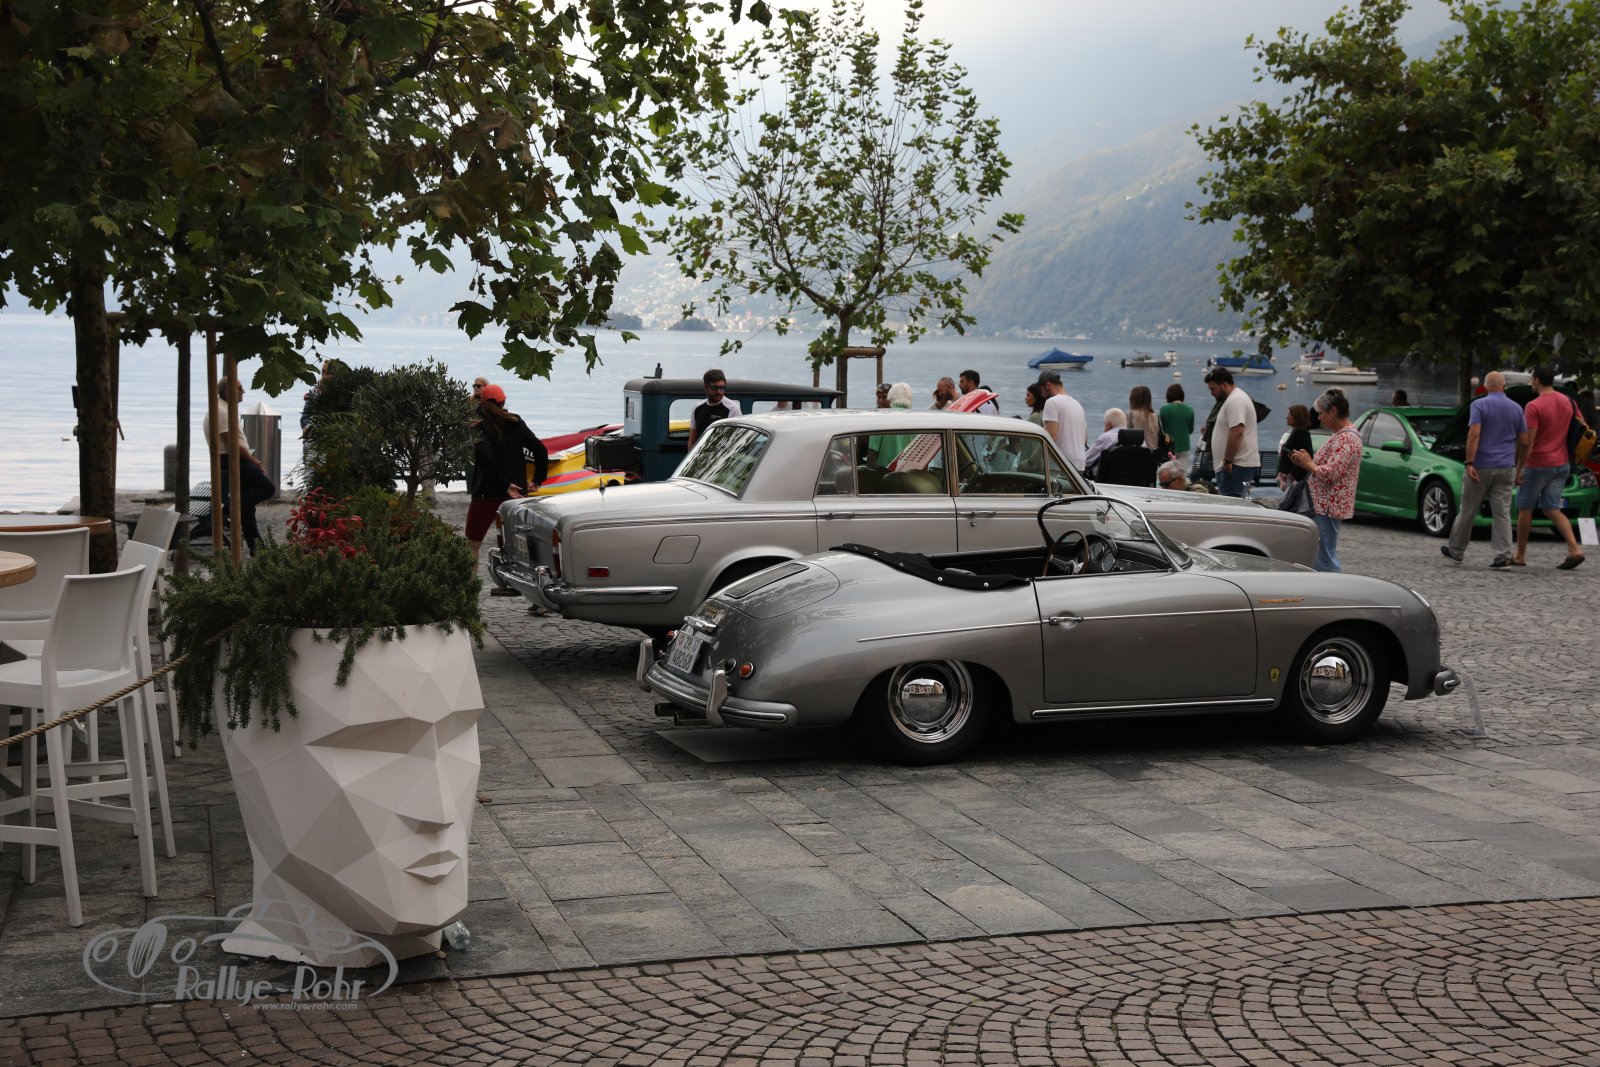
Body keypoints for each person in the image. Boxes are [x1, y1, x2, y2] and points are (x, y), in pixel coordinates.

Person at [1443, 371, 1526, 568]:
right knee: (1502, 513)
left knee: (1468, 510)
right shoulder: (1517, 408)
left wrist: (1469, 462)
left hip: (1481, 466)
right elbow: (1524, 440)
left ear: (1487, 387)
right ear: (1504, 386)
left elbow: (1474, 434)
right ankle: (1503, 556)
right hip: (1506, 467)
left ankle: (1456, 550)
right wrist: (1517, 463)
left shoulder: (1479, 405)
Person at [1512, 364, 1585, 569]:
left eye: (1531, 379)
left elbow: (1528, 441)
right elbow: (1580, 426)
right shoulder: (1568, 401)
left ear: (1536, 380)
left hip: (1537, 464)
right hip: (1561, 462)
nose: (1531, 383)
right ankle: (1574, 549)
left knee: (1525, 508)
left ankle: (1520, 555)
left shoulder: (1534, 406)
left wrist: (1520, 468)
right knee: (1552, 508)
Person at [465, 384, 548, 565]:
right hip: (516, 493)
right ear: (504, 402)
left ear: (482, 404)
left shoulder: (480, 427)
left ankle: (470, 583)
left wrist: (505, 484)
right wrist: (537, 479)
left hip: (486, 493)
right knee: (518, 546)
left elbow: (487, 459)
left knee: (472, 544)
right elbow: (540, 449)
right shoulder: (516, 423)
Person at [1289, 389, 1361, 572]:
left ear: (1333, 411)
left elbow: (1332, 473)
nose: (1319, 418)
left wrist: (1309, 464)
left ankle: (1332, 588)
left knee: (1324, 559)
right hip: (1324, 506)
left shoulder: (1346, 438)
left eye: (1321, 413)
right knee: (1320, 555)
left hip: (1327, 507)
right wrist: (1306, 462)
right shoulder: (1342, 435)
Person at [204, 377, 276, 556]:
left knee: (247, 508)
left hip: (234, 459)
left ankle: (256, 547)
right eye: (239, 388)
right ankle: (230, 508)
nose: (243, 391)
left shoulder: (223, 409)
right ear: (227, 392)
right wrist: (253, 461)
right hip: (232, 460)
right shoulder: (221, 411)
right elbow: (232, 445)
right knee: (267, 488)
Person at [1204, 366, 1260, 497]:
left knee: (1232, 504)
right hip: (1236, 465)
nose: (1211, 393)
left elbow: (1237, 431)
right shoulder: (1233, 399)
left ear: (1224, 385)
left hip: (1236, 465)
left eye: (1213, 389)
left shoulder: (1236, 400)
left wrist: (1228, 460)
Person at [1038, 369, 1088, 472]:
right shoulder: (1077, 404)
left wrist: (1033, 461)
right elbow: (1085, 440)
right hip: (1079, 464)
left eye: (1041, 390)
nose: (1041, 395)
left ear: (1048, 385)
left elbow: (1050, 436)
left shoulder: (1052, 402)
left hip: (1060, 465)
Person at [687, 368, 740, 447]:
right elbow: (692, 441)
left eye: (722, 388)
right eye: (714, 388)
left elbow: (736, 441)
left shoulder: (733, 409)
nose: (718, 392)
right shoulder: (697, 408)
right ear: (706, 387)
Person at [1277, 405, 1314, 490]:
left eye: (1289, 415)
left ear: (1297, 417)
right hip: (1289, 477)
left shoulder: (1301, 432)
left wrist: (1292, 474)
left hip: (1294, 479)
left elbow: (1307, 454)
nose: (1287, 417)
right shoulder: (1296, 430)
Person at [1159, 383, 1195, 471]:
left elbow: (1161, 430)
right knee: (1181, 474)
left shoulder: (1164, 409)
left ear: (1168, 396)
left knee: (1167, 474)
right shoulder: (1190, 410)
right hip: (1184, 447)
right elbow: (1190, 430)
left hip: (1168, 448)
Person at [1083, 408, 1128, 478]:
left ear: (1110, 424)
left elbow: (1086, 460)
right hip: (1132, 481)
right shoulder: (1138, 441)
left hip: (1103, 480)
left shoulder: (1106, 438)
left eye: (1105, 424)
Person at [1127, 386, 1162, 455]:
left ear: (1133, 399)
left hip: (1137, 454)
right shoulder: (1155, 416)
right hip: (1153, 455)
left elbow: (1127, 437)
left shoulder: (1130, 414)